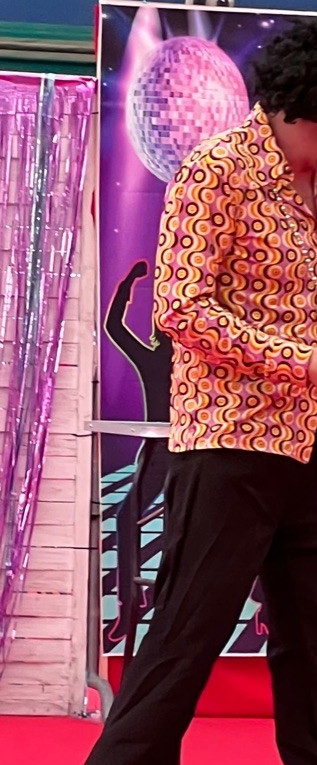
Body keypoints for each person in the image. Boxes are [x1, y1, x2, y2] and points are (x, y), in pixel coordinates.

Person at [38, 14, 317, 765]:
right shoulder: (215, 170)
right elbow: (180, 310)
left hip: (304, 445)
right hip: (224, 444)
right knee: (187, 633)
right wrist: (298, 363)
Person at [103, 259, 172, 646]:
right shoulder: (167, 361)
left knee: (131, 517)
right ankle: (133, 604)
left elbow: (115, 327)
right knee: (133, 518)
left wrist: (129, 284)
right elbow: (114, 329)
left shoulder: (157, 359)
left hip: (176, 453)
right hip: (168, 452)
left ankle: (133, 604)